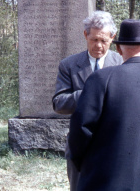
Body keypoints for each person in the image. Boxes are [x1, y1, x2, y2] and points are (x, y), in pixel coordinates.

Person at [68, 19, 140, 191]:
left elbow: (80, 132)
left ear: (119, 48)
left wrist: (84, 166)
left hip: (101, 182)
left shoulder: (100, 80)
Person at [52, 10, 122, 190]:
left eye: (104, 40)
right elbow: (59, 103)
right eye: (94, 40)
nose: (98, 45)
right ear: (85, 35)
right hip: (80, 146)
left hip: (114, 145)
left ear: (112, 38)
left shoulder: (122, 64)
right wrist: (91, 93)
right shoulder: (69, 65)